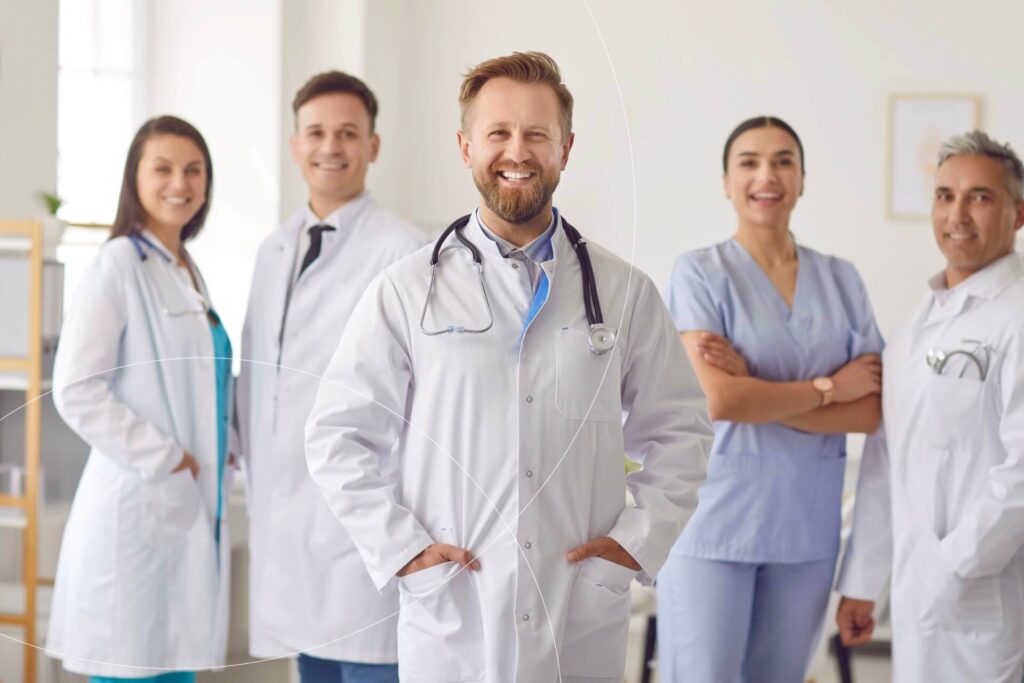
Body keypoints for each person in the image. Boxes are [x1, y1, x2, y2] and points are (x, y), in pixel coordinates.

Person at [304, 51, 711, 682]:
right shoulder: (407, 290)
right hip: (454, 616)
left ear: (565, 149)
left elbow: (681, 430)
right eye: (497, 133)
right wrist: (404, 550)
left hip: (578, 609)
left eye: (536, 134)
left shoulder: (623, 291)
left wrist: (633, 545)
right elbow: (337, 434)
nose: (516, 151)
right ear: (465, 146)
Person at [657, 116, 884, 682]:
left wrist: (760, 390)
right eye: (750, 162)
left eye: (784, 160)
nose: (768, 175)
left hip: (805, 532)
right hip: (713, 522)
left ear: (803, 179)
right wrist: (830, 388)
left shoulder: (843, 280)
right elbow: (721, 400)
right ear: (727, 181)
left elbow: (873, 410)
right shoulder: (699, 274)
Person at [235, 71, 423, 683]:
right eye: (315, 132)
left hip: (364, 522)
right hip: (288, 531)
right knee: (312, 666)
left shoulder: (406, 253)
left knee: (374, 665)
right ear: (295, 145)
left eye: (348, 133)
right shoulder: (274, 250)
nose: (330, 147)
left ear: (373, 145)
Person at [46, 116, 232, 682]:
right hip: (140, 508)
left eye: (194, 170)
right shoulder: (117, 264)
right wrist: (168, 457)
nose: (181, 182)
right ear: (136, 179)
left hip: (187, 509)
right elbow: (75, 389)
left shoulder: (185, 270)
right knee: (133, 668)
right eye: (164, 168)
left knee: (173, 666)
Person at [837, 130, 1024, 682]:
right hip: (921, 588)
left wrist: (957, 564)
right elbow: (886, 461)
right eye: (945, 196)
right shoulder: (917, 325)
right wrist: (862, 581)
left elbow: (1022, 473)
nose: (958, 214)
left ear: (1018, 214)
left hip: (982, 587)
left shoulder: (1016, 317)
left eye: (980, 197)